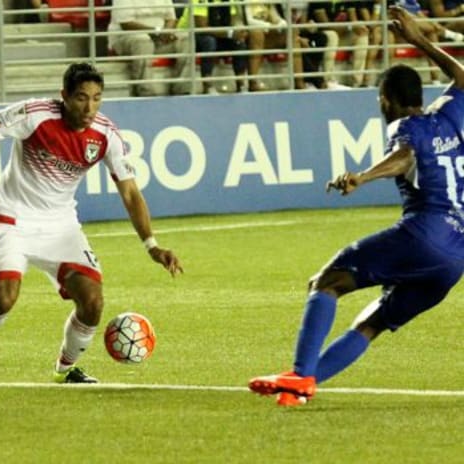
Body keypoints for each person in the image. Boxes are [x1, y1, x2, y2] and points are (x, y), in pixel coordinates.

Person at [0, 62, 182, 388]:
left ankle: (65, 369)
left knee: (93, 302)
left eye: (97, 98)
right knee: (3, 299)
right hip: (13, 218)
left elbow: (130, 192)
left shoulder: (106, 135)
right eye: (81, 98)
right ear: (64, 96)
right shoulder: (34, 115)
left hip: (61, 227)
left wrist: (152, 245)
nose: (89, 108)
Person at [248, 6, 464, 407]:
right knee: (372, 323)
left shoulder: (405, 126)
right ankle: (301, 388)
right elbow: (463, 77)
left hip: (425, 232)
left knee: (325, 282)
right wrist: (418, 40)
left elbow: (405, 156)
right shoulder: (450, 117)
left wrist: (363, 176)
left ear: (386, 100)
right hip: (456, 257)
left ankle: (298, 375)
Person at [107, 0, 193, 96]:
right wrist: (156, 31)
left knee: (185, 38)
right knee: (143, 40)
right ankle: (144, 92)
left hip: (158, 38)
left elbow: (171, 19)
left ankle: (182, 90)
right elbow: (126, 24)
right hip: (126, 38)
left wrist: (167, 32)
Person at [179, 0, 249, 94]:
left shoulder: (230, 1)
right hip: (191, 35)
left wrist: (238, 32)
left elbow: (232, 22)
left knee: (239, 43)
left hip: (218, 35)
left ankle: (241, 85)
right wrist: (230, 33)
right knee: (209, 42)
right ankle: (207, 85)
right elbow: (202, 27)